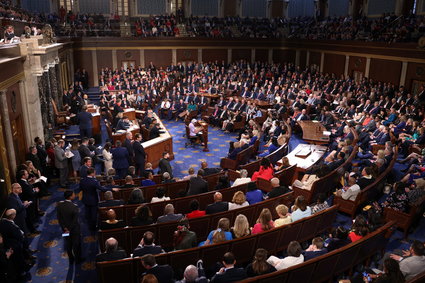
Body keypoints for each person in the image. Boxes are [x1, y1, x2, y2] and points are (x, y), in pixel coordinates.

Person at [56, 190, 83, 264]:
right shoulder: (74, 207)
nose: (75, 195)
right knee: (76, 244)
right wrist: (69, 229)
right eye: (74, 194)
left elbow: (59, 218)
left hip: (64, 230)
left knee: (68, 243)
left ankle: (71, 259)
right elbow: (74, 221)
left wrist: (65, 228)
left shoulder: (59, 205)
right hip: (74, 230)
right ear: (70, 197)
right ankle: (78, 260)